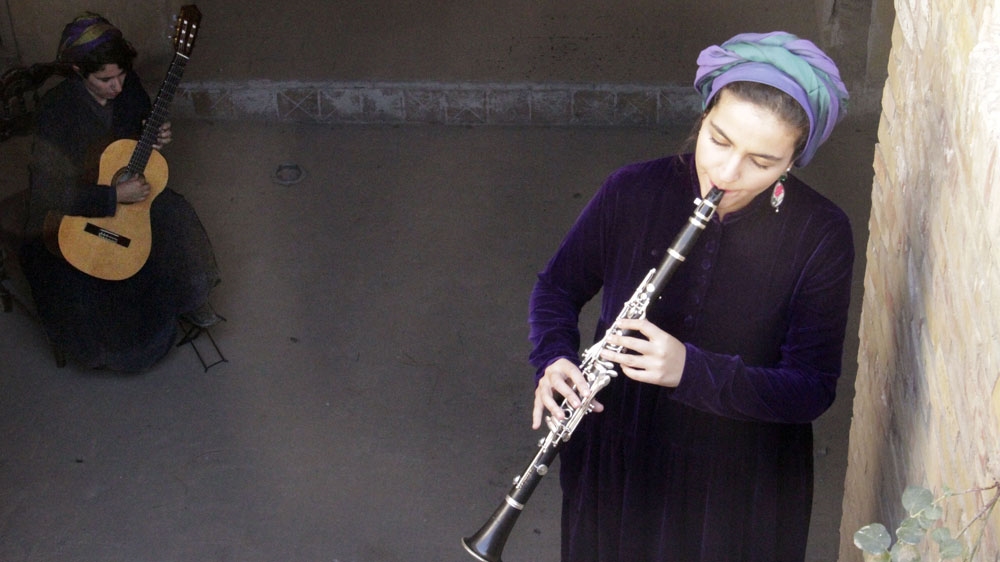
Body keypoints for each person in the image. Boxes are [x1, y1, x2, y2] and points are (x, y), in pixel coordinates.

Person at [528, 32, 853, 562]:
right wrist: (553, 357)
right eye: (719, 141)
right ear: (703, 117)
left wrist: (690, 369)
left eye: (762, 161)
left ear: (793, 161)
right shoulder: (632, 190)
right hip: (619, 456)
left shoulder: (821, 233)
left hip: (738, 480)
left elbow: (812, 390)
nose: (727, 174)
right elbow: (557, 288)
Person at [20, 12, 221, 372]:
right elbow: (46, 196)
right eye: (105, 79)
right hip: (74, 216)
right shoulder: (56, 111)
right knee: (102, 295)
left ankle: (189, 298)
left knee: (173, 214)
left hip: (126, 193)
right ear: (79, 72)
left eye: (121, 75)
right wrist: (112, 197)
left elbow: (138, 135)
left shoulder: (127, 89)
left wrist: (154, 137)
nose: (116, 87)